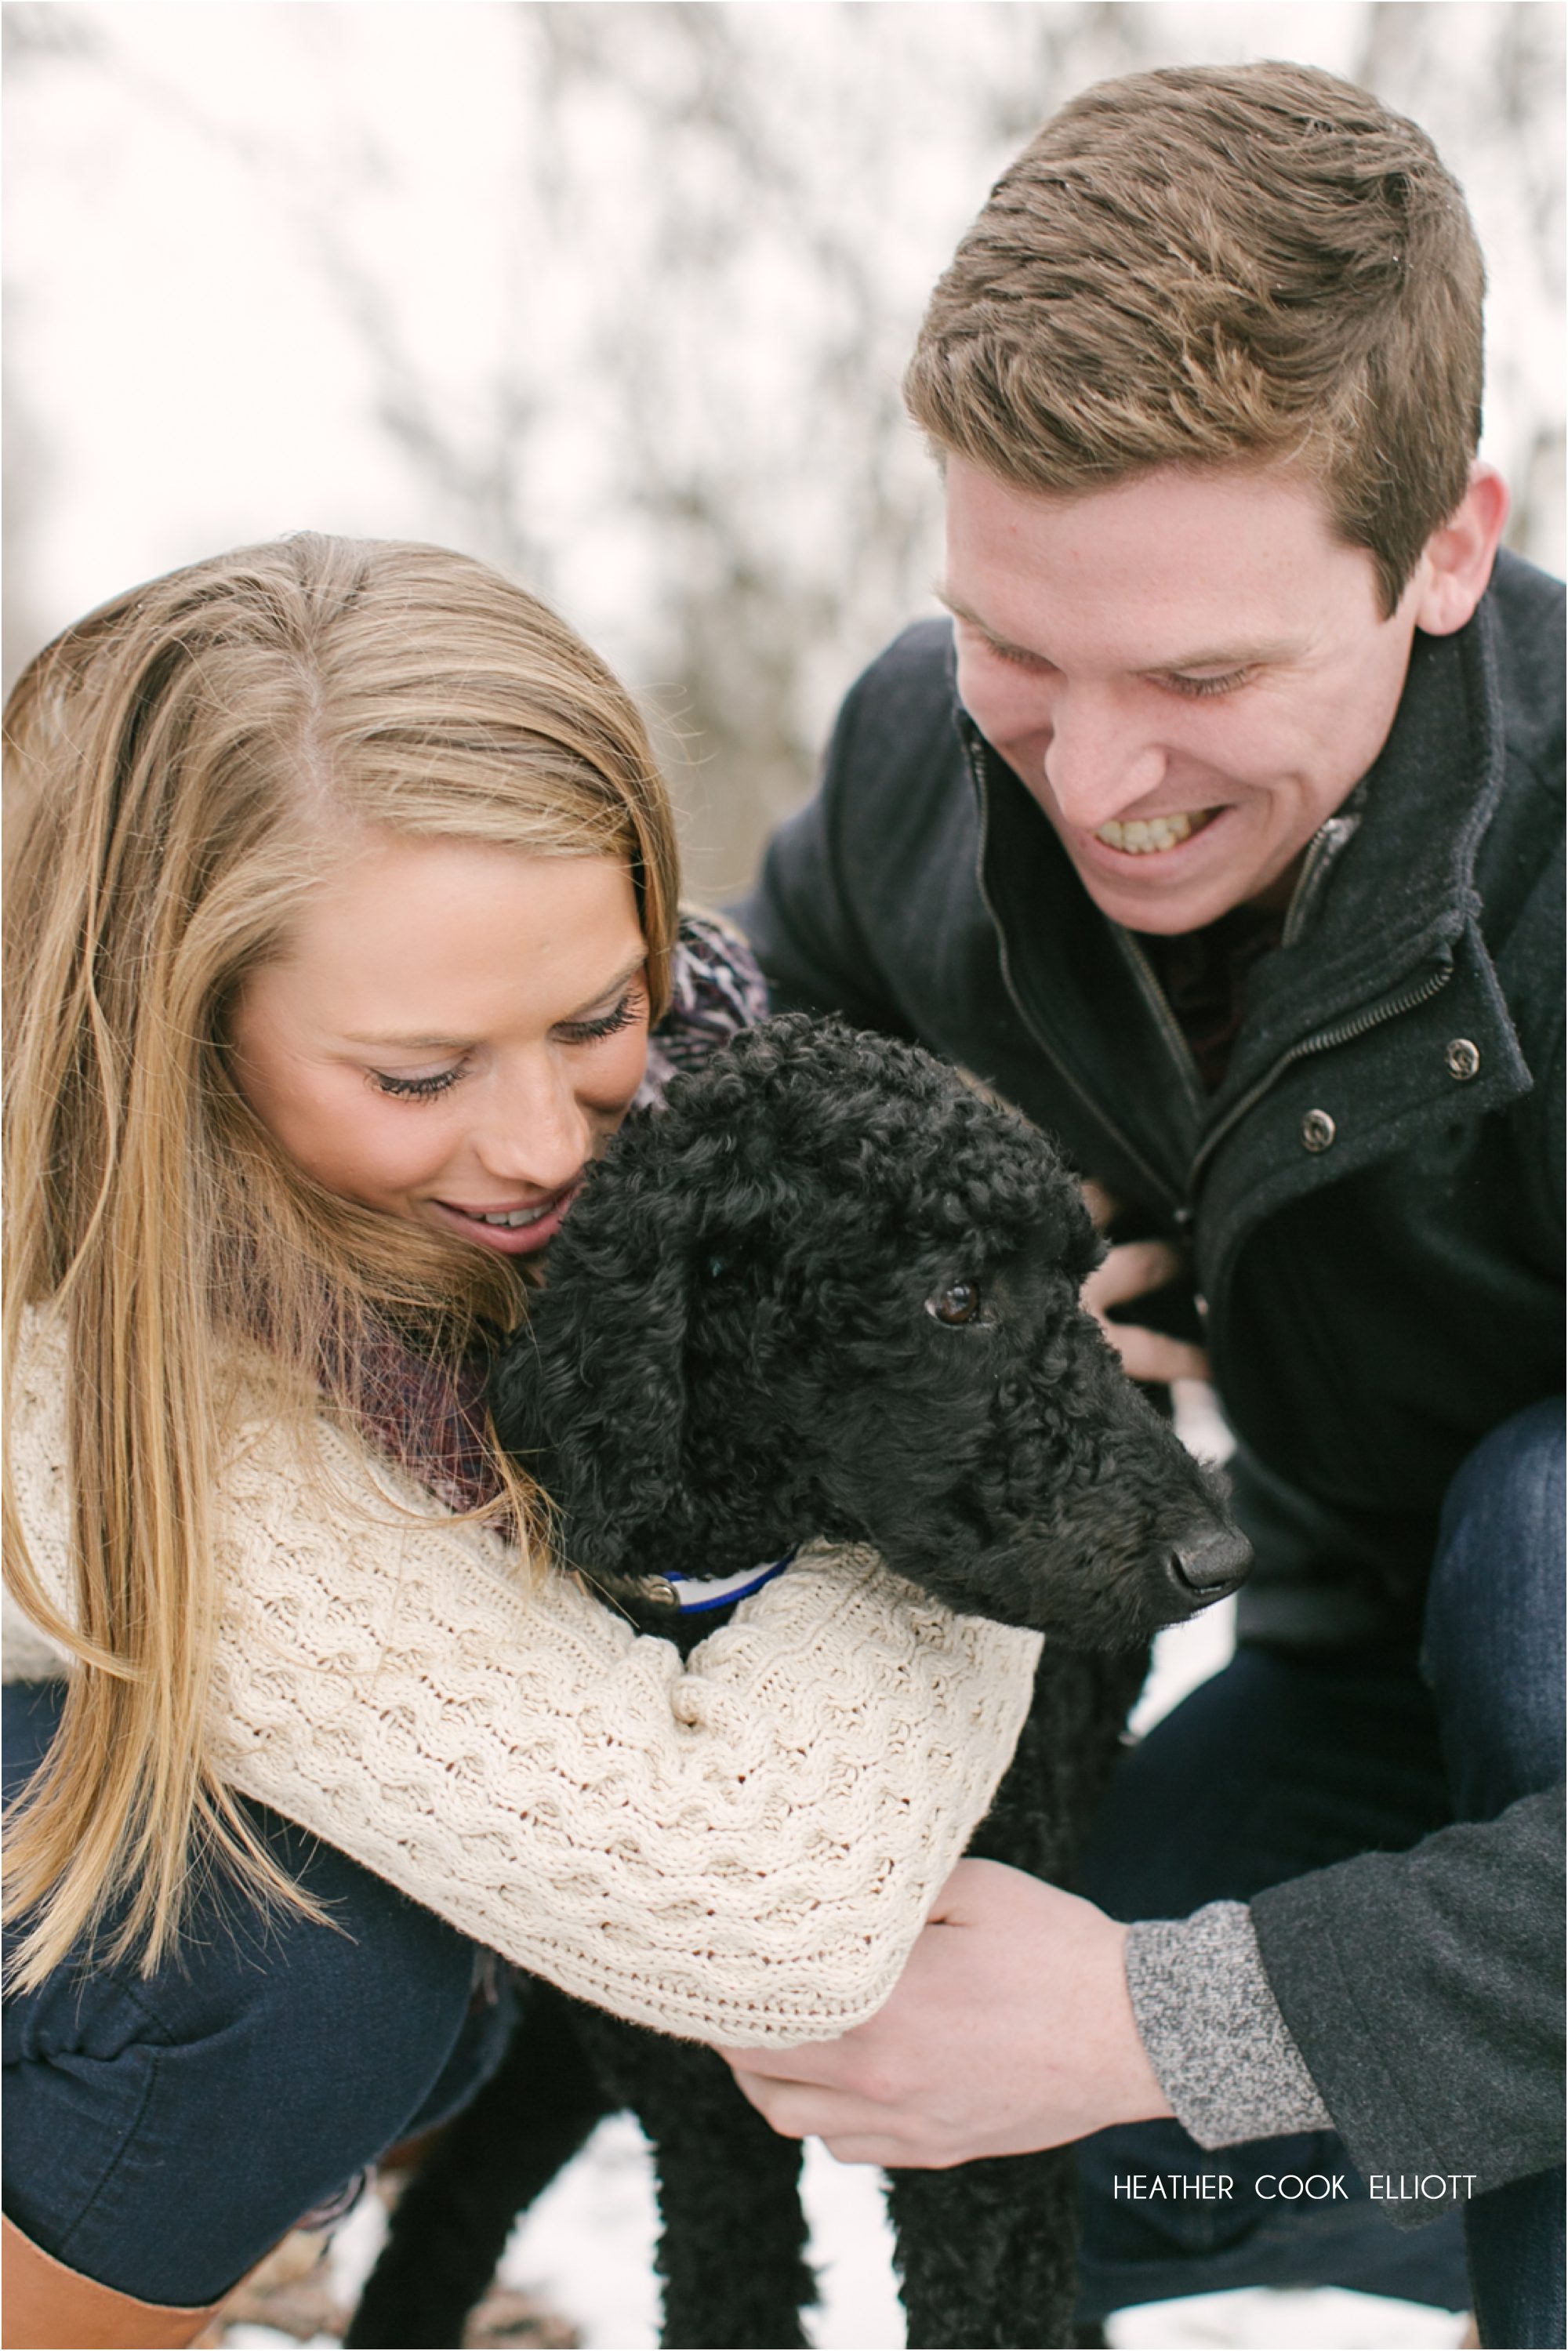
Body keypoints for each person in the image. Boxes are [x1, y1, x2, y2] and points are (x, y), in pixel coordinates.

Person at [728, 60, 1564, 2351]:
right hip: (1348, 1678)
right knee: (1003, 2135)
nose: (1099, 779)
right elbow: (704, 1129)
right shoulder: (919, 761)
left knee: (1551, 1534)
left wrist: (1176, 2017)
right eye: (1024, 651)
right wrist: (896, 1313)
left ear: (1450, 549)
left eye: (1204, 675)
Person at [0, 534, 1044, 2349]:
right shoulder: (94, 1373)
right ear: (174, 1031)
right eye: (419, 1075)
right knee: (275, 1958)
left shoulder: (691, 1128)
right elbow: (756, 1903)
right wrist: (990, 1443)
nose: (545, 1143)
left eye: (596, 1017)